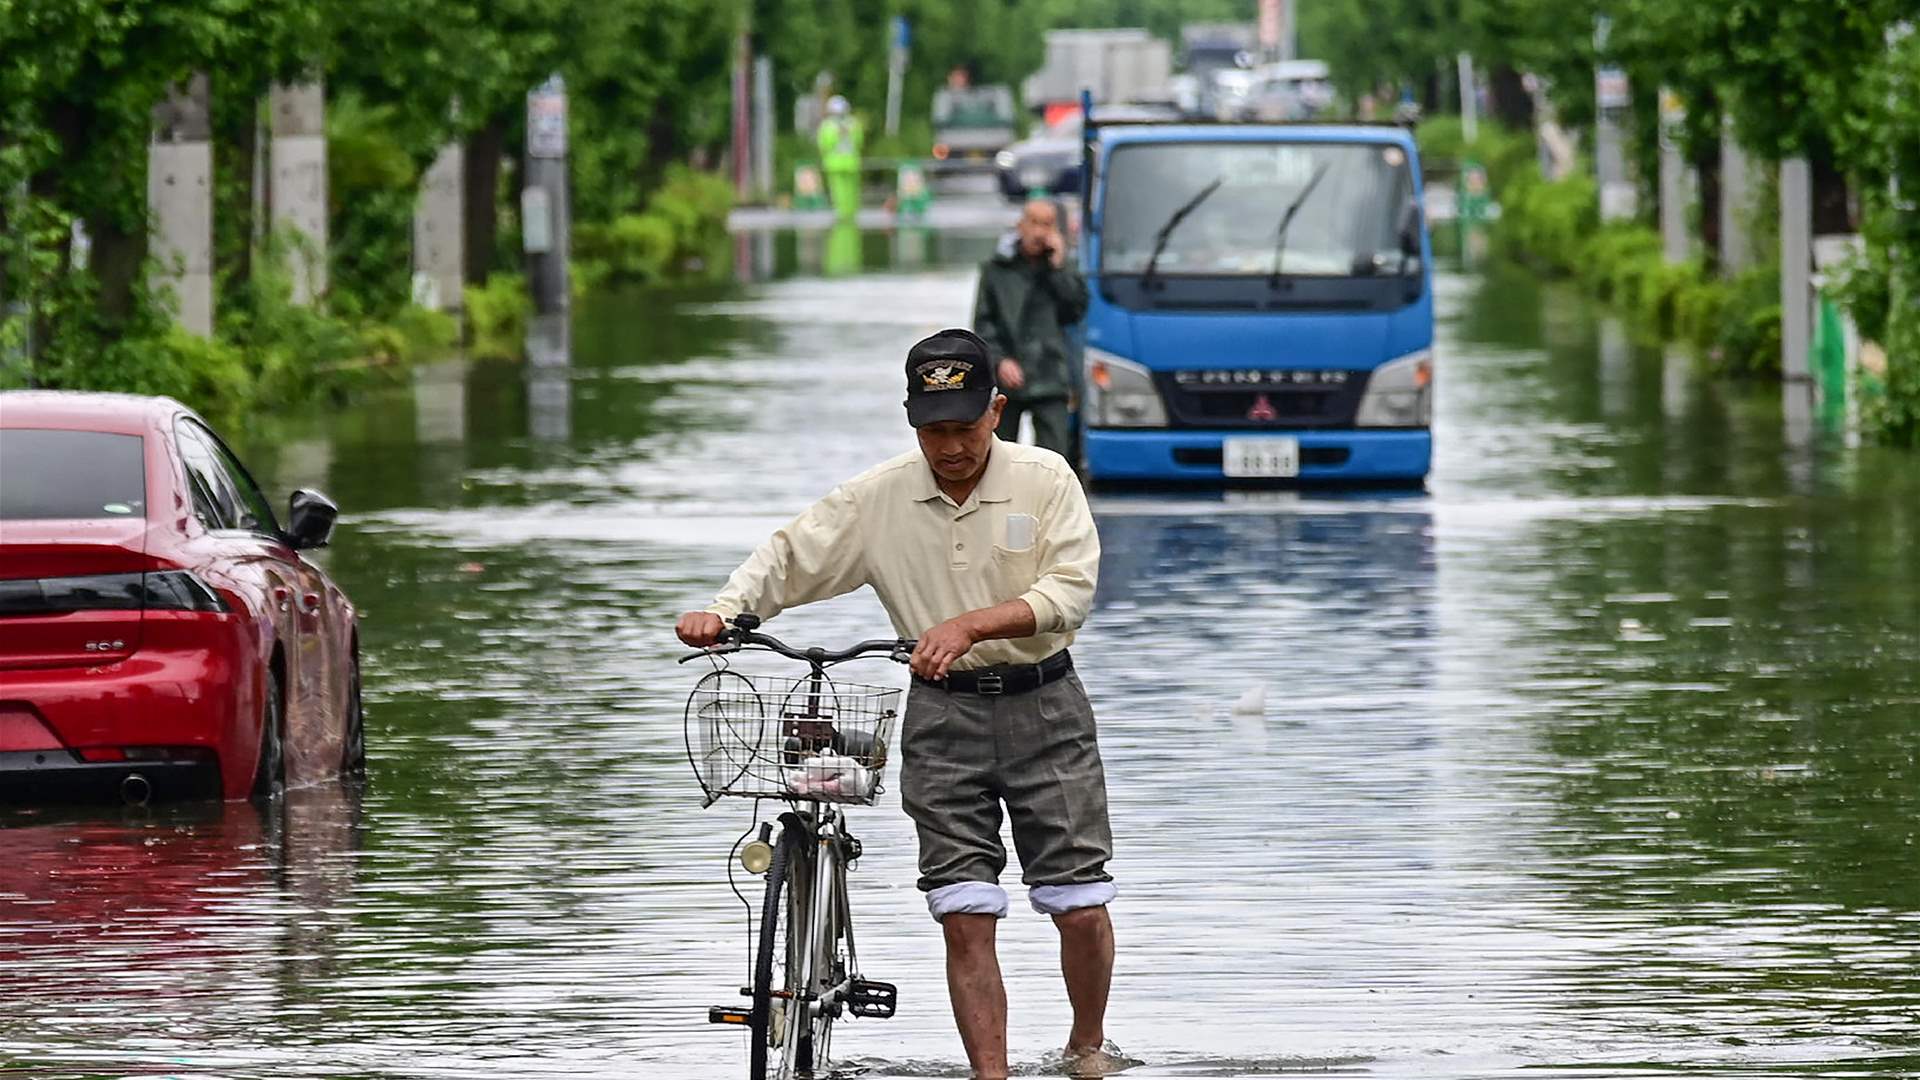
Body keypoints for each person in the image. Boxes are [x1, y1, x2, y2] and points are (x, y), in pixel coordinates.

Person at [675, 328, 1119, 1079]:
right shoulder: (879, 497)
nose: (950, 446)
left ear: (998, 412)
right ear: (913, 422)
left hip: (1046, 707)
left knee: (1077, 902)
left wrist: (970, 624)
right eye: (933, 429)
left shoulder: (1046, 480)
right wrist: (724, 610)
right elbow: (792, 557)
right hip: (943, 719)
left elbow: (1070, 591)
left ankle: (1086, 1044)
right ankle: (992, 1076)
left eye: (964, 427)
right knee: (964, 913)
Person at [972, 198, 1088, 461]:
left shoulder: (1064, 268)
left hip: (1051, 375)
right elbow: (983, 324)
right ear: (1020, 226)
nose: (1039, 232)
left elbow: (1076, 311)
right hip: (1006, 377)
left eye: (1047, 225)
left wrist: (1058, 267)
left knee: (1055, 460)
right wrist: (1000, 361)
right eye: (1033, 223)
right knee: (996, 456)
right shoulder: (996, 269)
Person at [818, 94, 864, 221]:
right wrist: (837, 135)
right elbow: (824, 144)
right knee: (838, 190)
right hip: (835, 163)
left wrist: (848, 133)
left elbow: (859, 141)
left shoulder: (853, 123)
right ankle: (841, 213)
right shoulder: (827, 126)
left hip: (850, 162)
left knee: (851, 189)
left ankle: (850, 213)